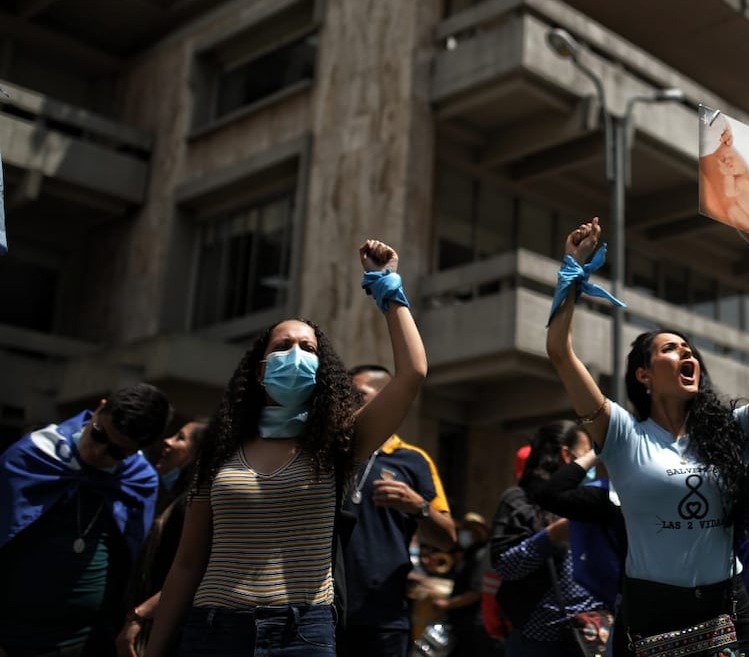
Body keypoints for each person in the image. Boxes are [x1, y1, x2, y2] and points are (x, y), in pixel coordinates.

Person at [547, 217, 749, 657]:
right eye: (670, 349)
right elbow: (559, 351)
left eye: (688, 349)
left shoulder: (733, 431)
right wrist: (572, 271)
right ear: (643, 375)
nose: (685, 352)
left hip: (725, 614)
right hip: (651, 617)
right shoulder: (623, 434)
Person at [146, 239, 428, 656]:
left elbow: (413, 373)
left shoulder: (338, 446)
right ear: (259, 370)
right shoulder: (220, 450)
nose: (296, 355)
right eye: (283, 347)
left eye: (308, 349)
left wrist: (386, 284)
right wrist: (155, 650)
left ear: (323, 371)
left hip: (301, 634)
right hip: (213, 630)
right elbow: (187, 564)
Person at [0, 383, 172, 657]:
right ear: (100, 408)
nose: (97, 452)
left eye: (116, 452)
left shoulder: (138, 481)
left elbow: (134, 560)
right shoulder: (31, 457)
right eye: (98, 434)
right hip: (10, 636)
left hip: (84, 641)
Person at [339, 364, 455, 656]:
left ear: (386, 398)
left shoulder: (414, 461)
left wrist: (418, 506)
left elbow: (447, 538)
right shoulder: (332, 451)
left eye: (357, 394)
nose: (347, 401)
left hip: (383, 617)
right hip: (320, 611)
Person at [490, 420, 605, 656]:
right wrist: (552, 536)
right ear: (566, 455)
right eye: (587, 454)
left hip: (593, 636)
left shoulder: (590, 498)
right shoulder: (519, 501)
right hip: (539, 642)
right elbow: (505, 566)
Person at [116, 419, 208, 657]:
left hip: (162, 630)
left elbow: (192, 568)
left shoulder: (189, 505)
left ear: (197, 453)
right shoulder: (170, 498)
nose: (167, 441)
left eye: (180, 438)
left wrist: (138, 615)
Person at [434, 512, 501, 657]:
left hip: (473, 625)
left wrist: (447, 604)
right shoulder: (470, 553)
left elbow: (477, 592)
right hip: (462, 623)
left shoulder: (483, 554)